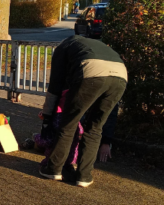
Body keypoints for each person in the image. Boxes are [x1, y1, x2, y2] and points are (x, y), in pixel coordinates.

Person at [38, 35, 127, 188]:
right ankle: (84, 176)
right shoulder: (92, 45)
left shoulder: (62, 48)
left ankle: (53, 169)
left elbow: (55, 87)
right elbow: (110, 112)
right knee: (95, 128)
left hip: (90, 72)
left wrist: (47, 116)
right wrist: (107, 140)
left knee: (69, 124)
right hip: (121, 76)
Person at [34, 89, 83, 171]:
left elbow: (47, 140)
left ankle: (50, 165)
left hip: (55, 157)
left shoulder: (56, 120)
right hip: (71, 158)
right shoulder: (74, 120)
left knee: (51, 142)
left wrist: (36, 137)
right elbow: (80, 131)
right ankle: (69, 165)